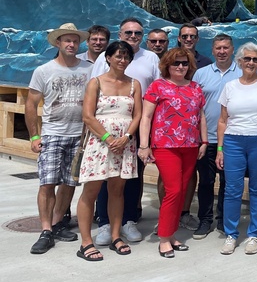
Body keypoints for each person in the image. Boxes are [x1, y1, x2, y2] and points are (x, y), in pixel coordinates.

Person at [91, 17, 160, 246]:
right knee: (104, 177)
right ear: (120, 34)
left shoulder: (151, 58)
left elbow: (157, 91)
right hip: (106, 129)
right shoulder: (105, 57)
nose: (133, 36)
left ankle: (129, 219)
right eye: (128, 33)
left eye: (138, 33)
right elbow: (93, 92)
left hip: (135, 126)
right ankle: (104, 222)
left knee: (132, 176)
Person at [27, 23, 92, 254]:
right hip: (52, 134)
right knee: (47, 182)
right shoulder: (43, 71)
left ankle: (56, 225)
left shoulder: (89, 69)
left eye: (75, 41)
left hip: (80, 135)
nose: (71, 44)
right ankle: (45, 230)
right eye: (67, 40)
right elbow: (31, 104)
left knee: (69, 182)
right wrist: (34, 135)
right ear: (58, 43)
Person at [75, 41, 143, 260]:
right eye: (118, 56)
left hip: (124, 144)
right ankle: (86, 243)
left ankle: (115, 236)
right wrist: (108, 137)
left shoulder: (135, 84)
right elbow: (87, 116)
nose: (122, 60)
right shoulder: (96, 82)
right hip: (100, 143)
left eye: (126, 57)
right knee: (91, 191)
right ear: (108, 57)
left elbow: (138, 115)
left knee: (117, 191)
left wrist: (126, 137)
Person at [138, 47, 207, 258]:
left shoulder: (195, 87)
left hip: (190, 146)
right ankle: (164, 238)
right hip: (165, 146)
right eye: (176, 63)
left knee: (184, 190)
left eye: (184, 63)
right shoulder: (158, 86)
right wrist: (144, 145)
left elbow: (201, 116)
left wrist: (204, 141)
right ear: (167, 65)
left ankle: (172, 233)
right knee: (174, 190)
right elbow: (146, 117)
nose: (180, 67)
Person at [216, 42, 257, 255]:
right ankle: (231, 234)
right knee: (232, 189)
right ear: (239, 62)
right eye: (247, 59)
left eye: (255, 59)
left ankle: (253, 234)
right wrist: (220, 149)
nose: (251, 63)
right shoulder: (230, 86)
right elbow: (223, 120)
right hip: (233, 141)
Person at [192, 34, 241, 239]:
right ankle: (205, 219)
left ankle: (223, 219)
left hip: (231, 138)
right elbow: (193, 106)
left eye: (226, 48)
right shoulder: (200, 74)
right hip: (206, 138)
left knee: (228, 182)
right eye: (218, 48)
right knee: (205, 181)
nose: (222, 51)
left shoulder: (241, 74)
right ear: (212, 50)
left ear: (232, 50)